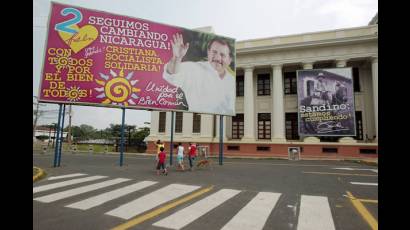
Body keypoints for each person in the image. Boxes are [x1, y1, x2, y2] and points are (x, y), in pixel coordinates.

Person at [163, 34, 235, 115]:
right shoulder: (194, 69)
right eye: (214, 52)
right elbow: (172, 75)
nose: (217, 58)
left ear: (229, 60)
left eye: (222, 55)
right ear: (208, 52)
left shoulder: (232, 80)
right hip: (198, 122)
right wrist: (177, 58)